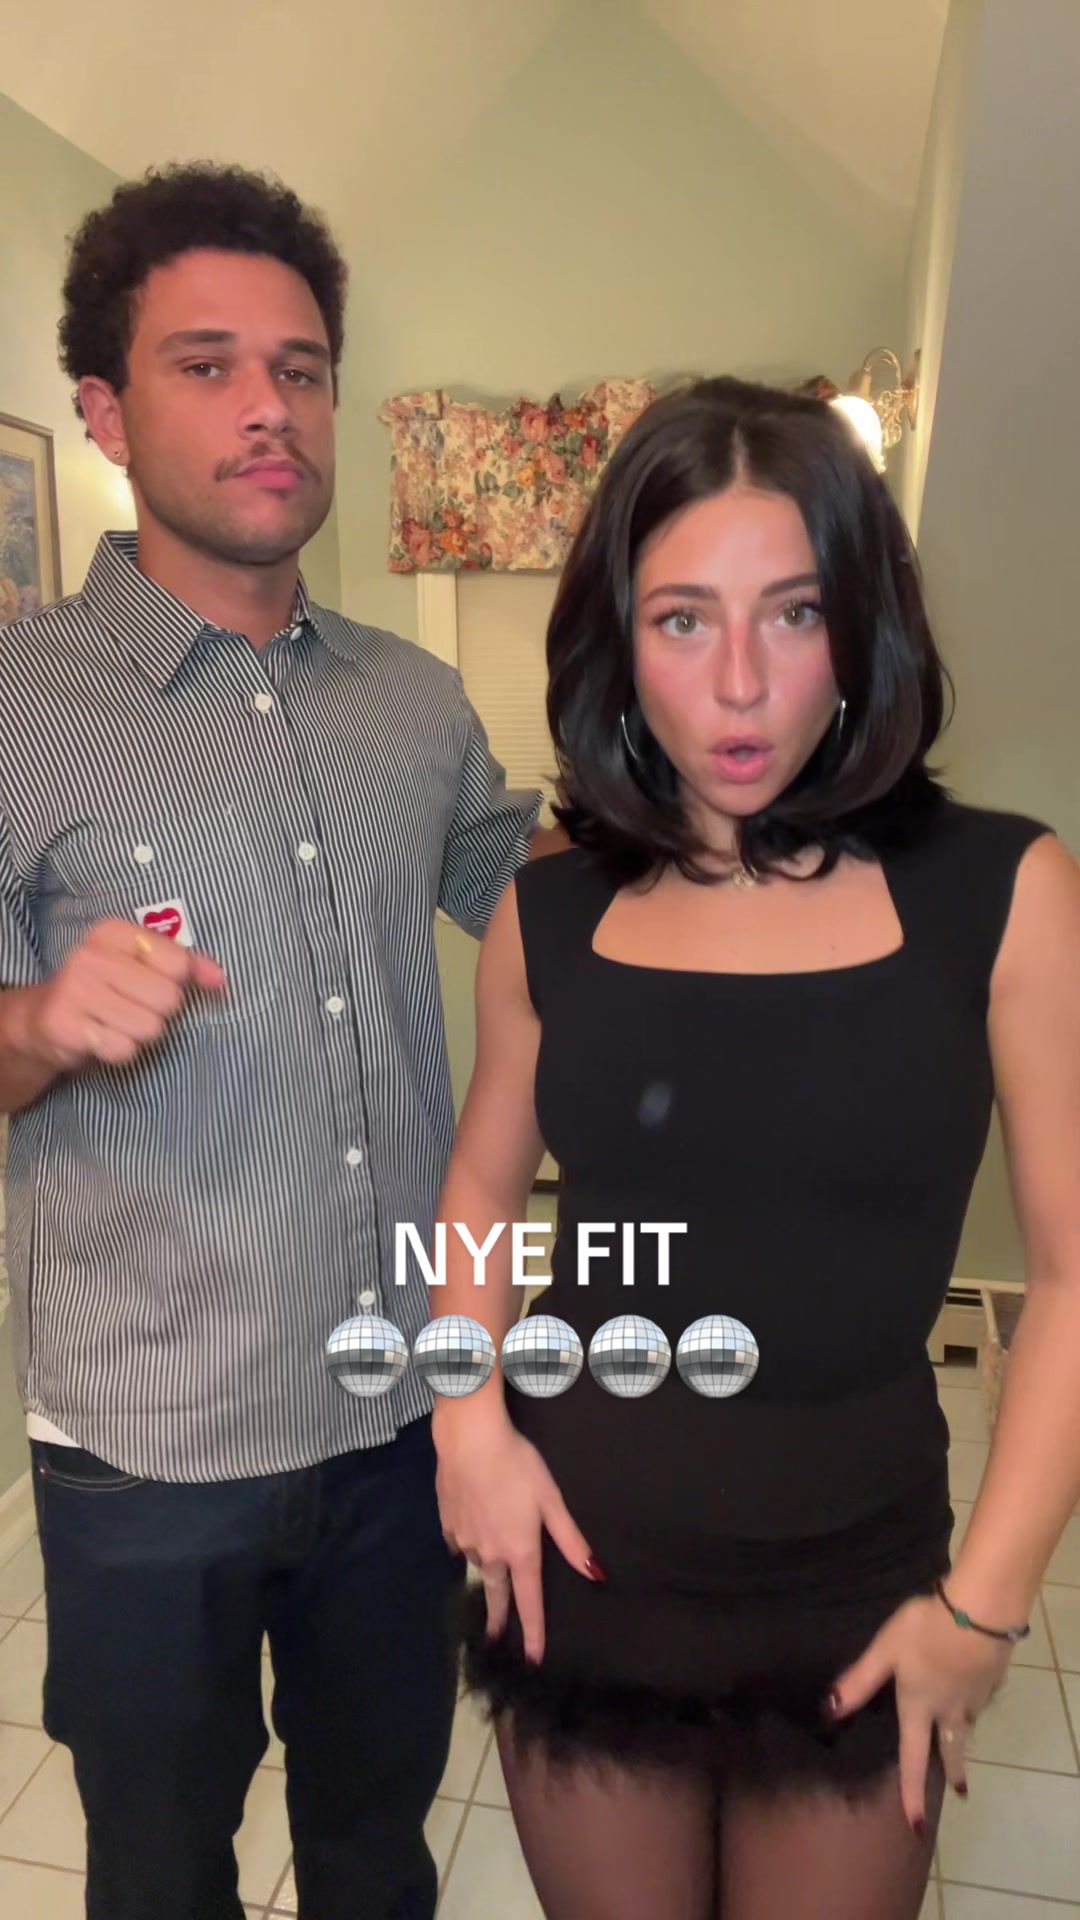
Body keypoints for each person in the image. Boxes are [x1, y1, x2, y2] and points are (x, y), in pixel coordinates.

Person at [430, 377, 1080, 1919]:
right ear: (619, 640)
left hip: (860, 1589)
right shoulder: (547, 910)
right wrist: (467, 1428)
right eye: (683, 620)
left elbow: (1070, 1279)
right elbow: (478, 1186)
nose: (740, 684)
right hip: (583, 1566)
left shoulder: (1004, 893)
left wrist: (986, 1610)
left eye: (792, 614)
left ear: (860, 628)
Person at [0, 162, 547, 1920]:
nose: (270, 409)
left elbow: (540, 906)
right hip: (148, 1445)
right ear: (104, 411)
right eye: (208, 364)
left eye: (301, 369)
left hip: (399, 1416)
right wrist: (36, 1018)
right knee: (161, 1876)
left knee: (376, 1852)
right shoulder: (15, 707)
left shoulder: (415, 700)